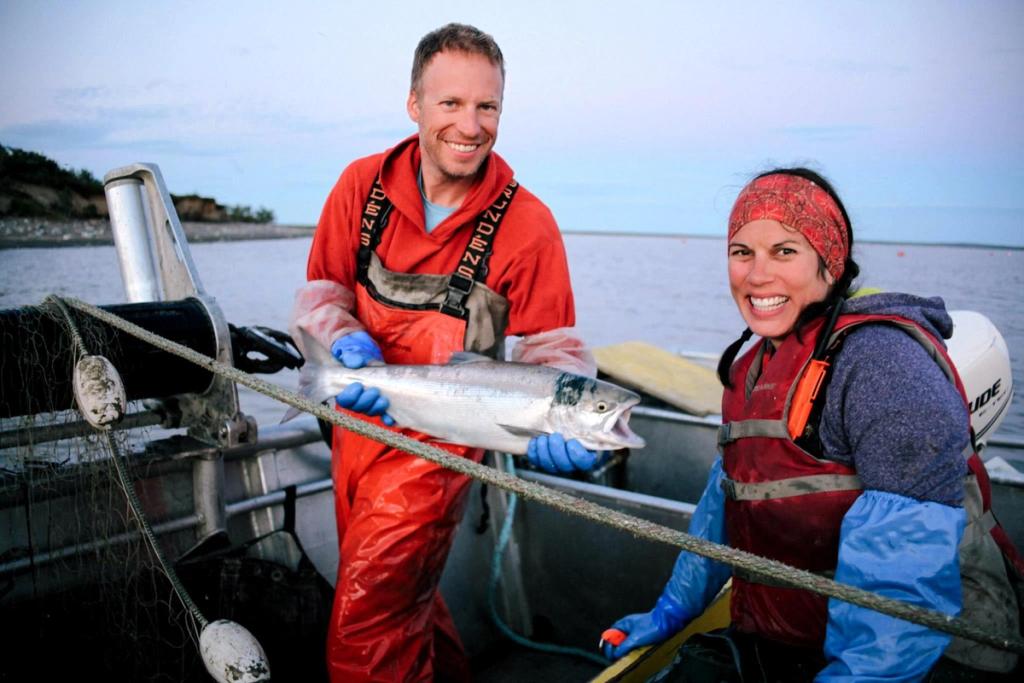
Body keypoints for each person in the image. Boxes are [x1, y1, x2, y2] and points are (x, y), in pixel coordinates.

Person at [601, 168, 1023, 681]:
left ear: (831, 262)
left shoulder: (884, 367)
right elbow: (728, 500)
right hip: (785, 639)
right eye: (741, 253)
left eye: (784, 251)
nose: (757, 275)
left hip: (930, 656)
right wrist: (671, 611)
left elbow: (901, 602)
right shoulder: (751, 366)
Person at [289, 23, 600, 682]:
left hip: (437, 451)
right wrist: (343, 340)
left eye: (487, 106)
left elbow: (557, 348)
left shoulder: (529, 225)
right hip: (354, 429)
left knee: (364, 630)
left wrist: (565, 415)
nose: (471, 123)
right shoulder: (360, 186)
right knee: (407, 606)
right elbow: (320, 294)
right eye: (450, 103)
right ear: (414, 105)